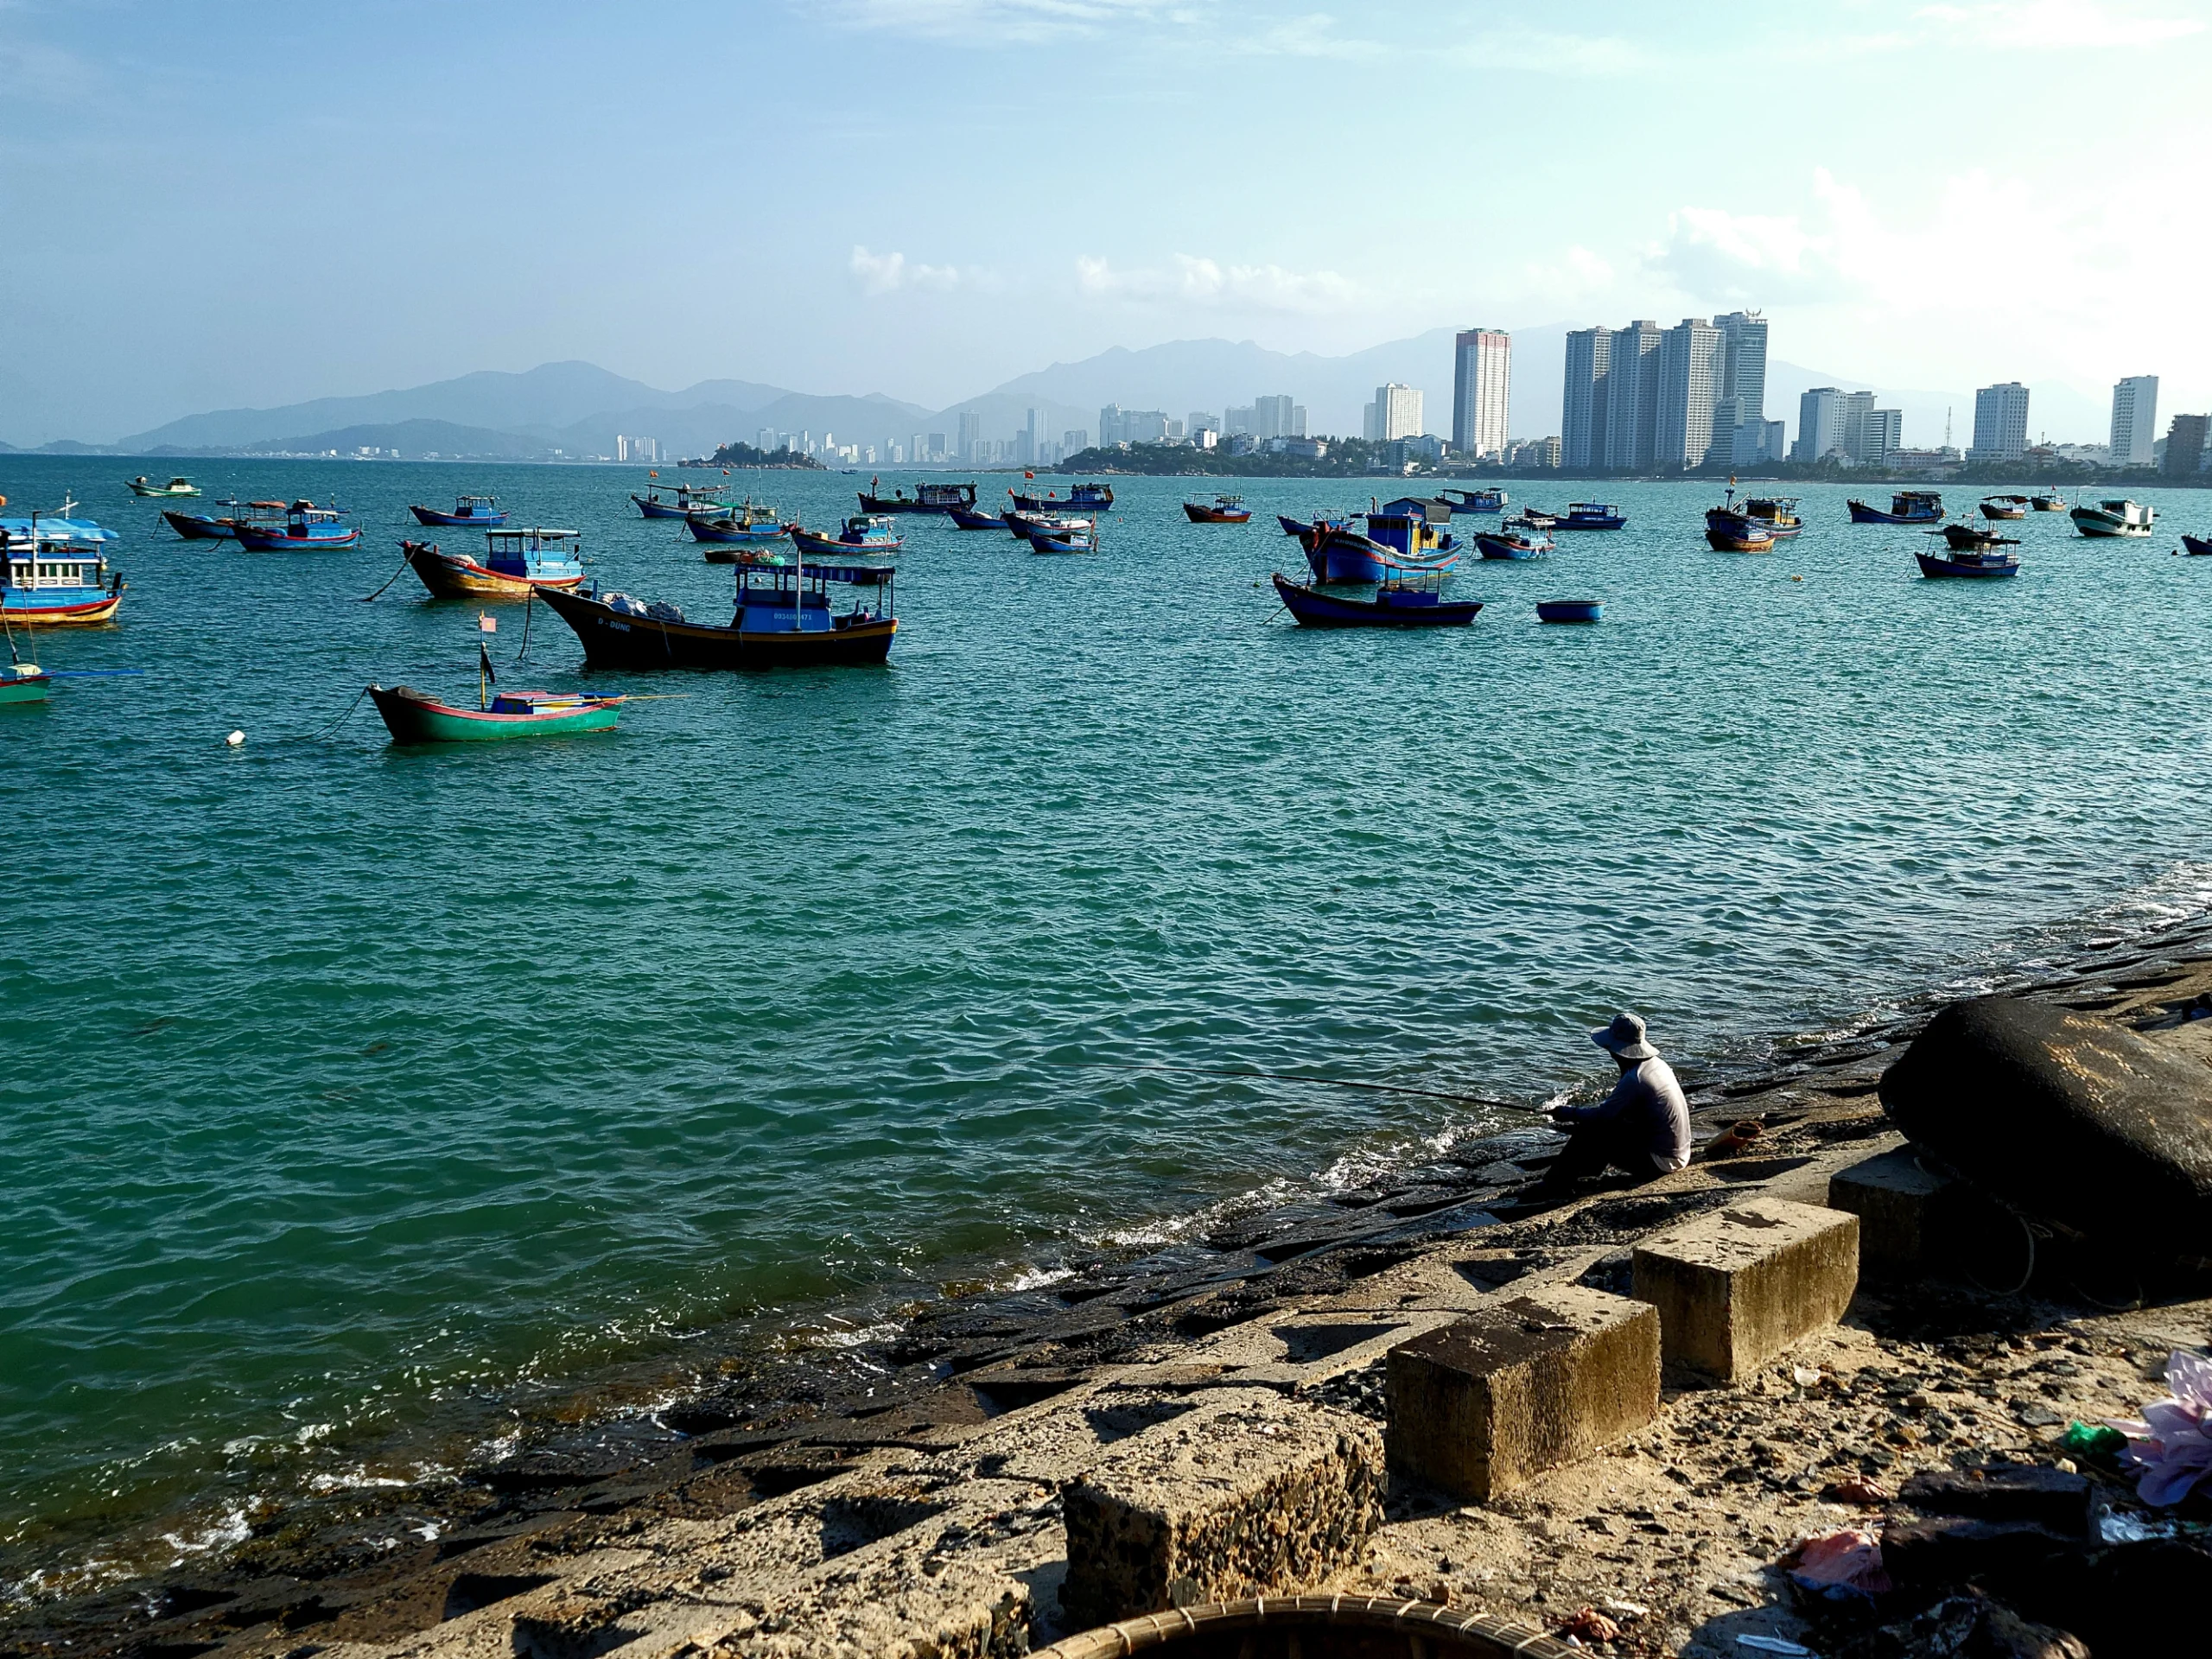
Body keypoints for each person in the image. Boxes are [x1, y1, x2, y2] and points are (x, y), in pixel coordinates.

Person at [1540, 1012, 1693, 1192]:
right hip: (1680, 1154)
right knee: (1605, 1123)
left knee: (1589, 1130)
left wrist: (1567, 1113)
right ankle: (1582, 1174)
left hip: (1662, 1162)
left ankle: (1553, 1186)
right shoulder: (1657, 1065)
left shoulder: (1635, 1079)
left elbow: (1602, 1116)